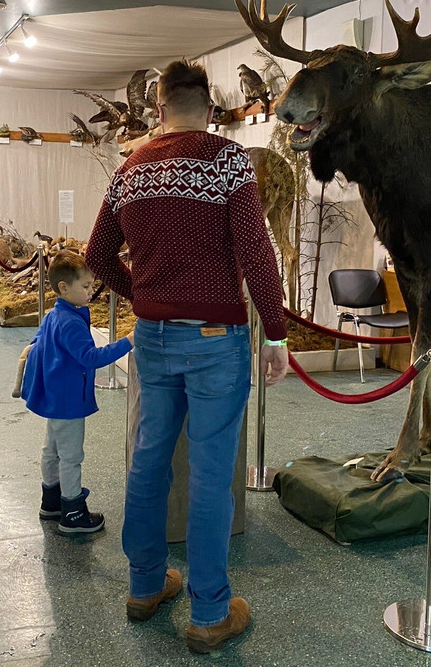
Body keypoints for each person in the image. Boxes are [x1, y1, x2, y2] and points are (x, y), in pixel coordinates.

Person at [86, 59, 288, 654]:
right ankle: (208, 613)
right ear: (211, 104)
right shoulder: (227, 162)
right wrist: (274, 334)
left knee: (148, 464)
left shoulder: (129, 171)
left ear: (159, 107)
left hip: (152, 337)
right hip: (215, 342)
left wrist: (144, 296)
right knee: (208, 477)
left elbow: (98, 258)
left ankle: (146, 586)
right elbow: (255, 253)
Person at [21, 251, 134, 534]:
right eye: (85, 286)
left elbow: (37, 344)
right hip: (69, 399)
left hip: (55, 396)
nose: (90, 292)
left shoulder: (55, 315)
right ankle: (72, 511)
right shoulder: (71, 322)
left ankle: (51, 499)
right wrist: (128, 341)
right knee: (71, 456)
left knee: (52, 449)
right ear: (63, 288)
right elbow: (91, 357)